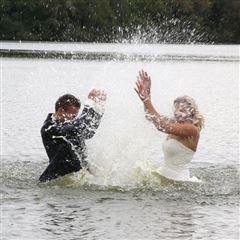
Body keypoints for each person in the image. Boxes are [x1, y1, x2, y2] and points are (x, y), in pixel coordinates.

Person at [134, 70, 204, 182]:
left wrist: (146, 99)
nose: (177, 113)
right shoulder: (175, 123)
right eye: (176, 109)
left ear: (191, 112)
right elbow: (151, 117)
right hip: (165, 176)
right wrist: (147, 95)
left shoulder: (192, 130)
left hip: (178, 182)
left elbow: (162, 125)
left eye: (182, 109)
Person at [39, 89, 106, 182]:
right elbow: (77, 129)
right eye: (73, 116)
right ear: (61, 110)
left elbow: (89, 133)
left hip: (79, 175)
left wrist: (98, 108)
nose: (73, 119)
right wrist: (89, 104)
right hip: (56, 179)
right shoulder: (49, 128)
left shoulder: (69, 125)